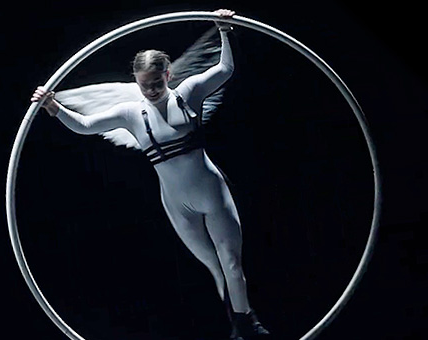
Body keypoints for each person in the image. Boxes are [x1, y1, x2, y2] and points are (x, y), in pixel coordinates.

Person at [31, 9, 269, 340]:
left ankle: (247, 325)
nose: (152, 90)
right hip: (176, 203)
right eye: (145, 86)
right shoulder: (131, 114)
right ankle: (237, 326)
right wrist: (54, 107)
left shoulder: (189, 94)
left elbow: (225, 69)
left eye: (157, 83)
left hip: (211, 191)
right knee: (215, 268)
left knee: (232, 263)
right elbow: (85, 126)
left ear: (168, 75)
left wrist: (224, 31)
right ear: (136, 82)